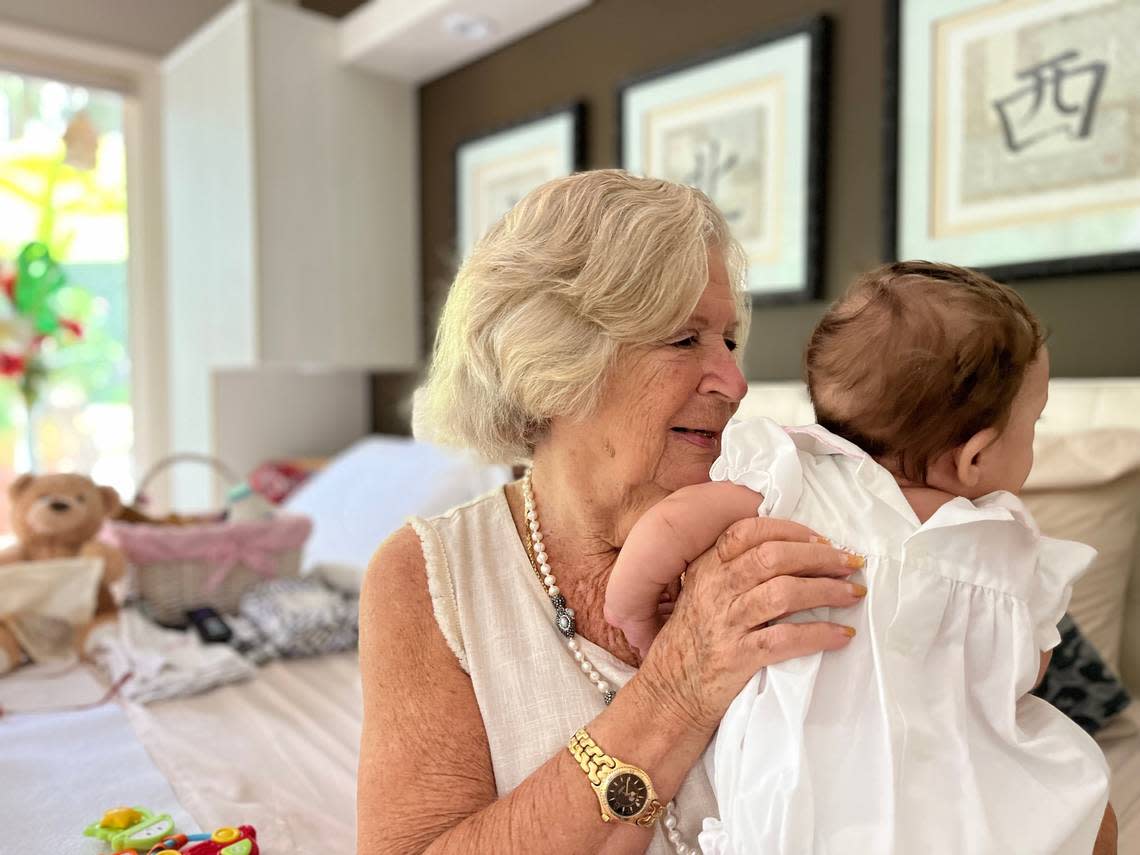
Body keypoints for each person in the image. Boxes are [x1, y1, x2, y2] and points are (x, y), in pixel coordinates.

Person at [356, 169, 867, 854]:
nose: (736, 382)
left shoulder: (781, 514)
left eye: (730, 340)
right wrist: (676, 690)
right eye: (685, 339)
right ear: (555, 360)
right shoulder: (431, 576)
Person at [605, 261, 1115, 854]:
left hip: (798, 806)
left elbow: (668, 526)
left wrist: (638, 615)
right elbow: (1028, 670)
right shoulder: (1005, 550)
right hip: (956, 813)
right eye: (1033, 422)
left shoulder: (795, 482)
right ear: (974, 458)